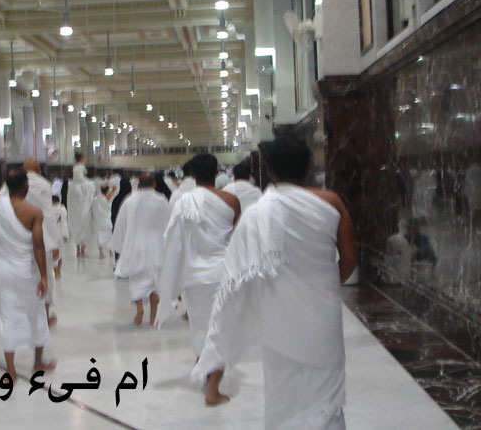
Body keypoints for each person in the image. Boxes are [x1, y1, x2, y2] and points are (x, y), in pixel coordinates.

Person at [192, 135, 357, 427]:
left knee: (284, 390)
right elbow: (350, 258)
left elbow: (235, 279)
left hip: (279, 316)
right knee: (327, 389)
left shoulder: (258, 213)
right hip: (323, 312)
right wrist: (327, 284)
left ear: (269, 171)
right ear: (308, 168)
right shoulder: (331, 202)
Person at [157, 153, 240, 406]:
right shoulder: (231, 201)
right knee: (219, 329)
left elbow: (173, 242)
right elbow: (235, 236)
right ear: (217, 172)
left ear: (191, 175)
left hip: (194, 276)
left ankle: (204, 367)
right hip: (222, 272)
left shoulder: (183, 201)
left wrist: (172, 282)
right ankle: (212, 389)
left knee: (200, 327)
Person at [0, 169, 56, 382]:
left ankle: (11, 370)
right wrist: (44, 276)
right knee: (37, 314)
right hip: (27, 271)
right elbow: (38, 245)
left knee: (8, 317)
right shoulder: (34, 212)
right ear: (25, 187)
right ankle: (38, 363)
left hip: (4, 272)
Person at [110, 173, 171, 326]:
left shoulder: (130, 200)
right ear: (154, 183)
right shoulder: (162, 200)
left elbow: (120, 223)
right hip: (157, 246)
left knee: (137, 279)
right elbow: (169, 223)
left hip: (135, 244)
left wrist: (118, 245)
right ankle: (153, 315)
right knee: (154, 282)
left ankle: (139, 310)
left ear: (139, 184)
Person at [22, 157, 60, 325]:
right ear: (38, 170)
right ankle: (45, 314)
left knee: (24, 277)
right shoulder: (45, 185)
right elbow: (48, 215)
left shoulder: (14, 184)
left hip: (21, 237)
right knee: (45, 276)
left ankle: (26, 316)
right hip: (43, 238)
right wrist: (54, 243)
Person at [67, 152, 95, 257]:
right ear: (81, 158)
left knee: (82, 223)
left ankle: (80, 248)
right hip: (78, 192)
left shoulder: (78, 168)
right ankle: (79, 248)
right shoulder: (78, 168)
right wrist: (89, 183)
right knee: (82, 222)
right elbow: (79, 179)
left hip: (78, 191)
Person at [93, 183, 117, 259]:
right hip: (107, 220)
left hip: (99, 220)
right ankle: (110, 251)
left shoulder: (96, 198)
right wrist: (108, 184)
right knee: (109, 236)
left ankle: (101, 252)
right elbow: (115, 187)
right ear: (107, 190)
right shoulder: (107, 197)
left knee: (99, 236)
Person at [51, 195, 69, 279]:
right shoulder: (62, 210)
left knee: (53, 254)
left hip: (52, 234)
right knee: (60, 253)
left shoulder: (48, 210)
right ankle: (59, 271)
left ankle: (56, 272)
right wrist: (65, 235)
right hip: (60, 234)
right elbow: (64, 223)